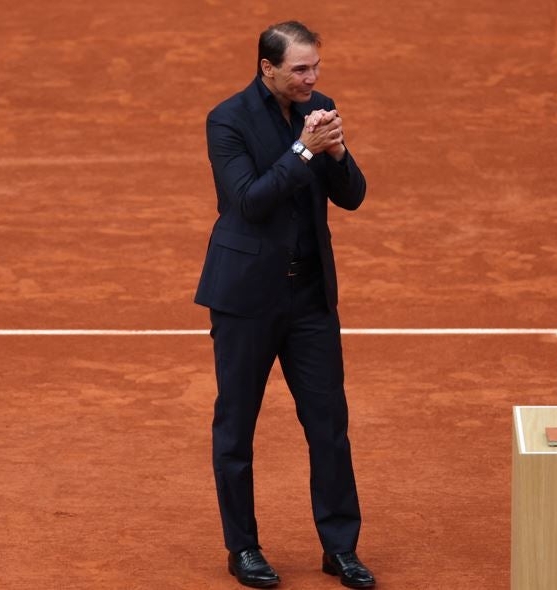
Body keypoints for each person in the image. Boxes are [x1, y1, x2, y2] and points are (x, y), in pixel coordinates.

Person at [194, 20, 376, 589]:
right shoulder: (226, 120)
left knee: (329, 426)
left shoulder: (318, 108)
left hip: (309, 299)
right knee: (236, 429)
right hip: (246, 299)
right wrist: (303, 151)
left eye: (316, 66)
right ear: (267, 68)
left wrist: (338, 152)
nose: (312, 78)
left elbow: (351, 196)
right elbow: (248, 202)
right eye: (300, 69)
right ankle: (243, 547)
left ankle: (340, 549)